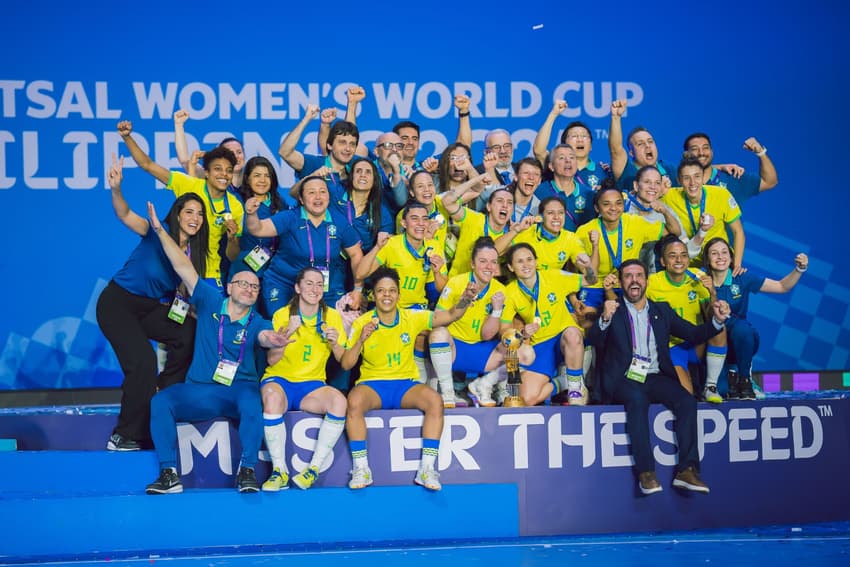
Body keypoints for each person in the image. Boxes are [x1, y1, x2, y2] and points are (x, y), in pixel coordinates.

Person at [144, 202, 289, 495]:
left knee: (252, 402)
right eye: (243, 284)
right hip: (200, 389)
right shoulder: (210, 300)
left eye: (254, 287)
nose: (249, 289)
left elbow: (264, 337)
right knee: (161, 401)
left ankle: (247, 471)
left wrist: (272, 340)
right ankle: (169, 474)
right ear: (230, 287)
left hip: (238, 390)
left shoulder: (259, 321)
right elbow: (183, 267)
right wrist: (160, 231)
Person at [586, 259, 731, 495]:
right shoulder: (613, 310)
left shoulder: (661, 310)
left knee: (687, 401)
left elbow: (693, 333)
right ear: (621, 282)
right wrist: (604, 318)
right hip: (623, 378)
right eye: (628, 276)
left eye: (639, 276)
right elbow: (593, 340)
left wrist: (716, 321)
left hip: (654, 376)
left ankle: (687, 471)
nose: (634, 280)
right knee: (637, 399)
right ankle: (646, 473)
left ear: (646, 281)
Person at [97, 155, 208, 451]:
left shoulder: (193, 254)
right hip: (117, 304)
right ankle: (124, 435)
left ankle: (163, 395)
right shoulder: (157, 231)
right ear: (178, 214)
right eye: (189, 211)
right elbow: (124, 215)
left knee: (187, 331)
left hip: (148, 308)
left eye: (200, 214)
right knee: (143, 364)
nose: (195, 218)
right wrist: (116, 189)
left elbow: (185, 294)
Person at [341, 266, 475, 491]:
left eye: (392, 290)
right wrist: (361, 340)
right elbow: (346, 364)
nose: (387, 295)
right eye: (381, 290)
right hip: (373, 385)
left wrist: (466, 299)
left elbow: (451, 315)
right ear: (373, 295)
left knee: (435, 401)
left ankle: (427, 469)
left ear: (398, 295)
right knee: (354, 401)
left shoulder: (411, 317)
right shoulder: (361, 322)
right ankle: (361, 469)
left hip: (405, 385)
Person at [117, 120, 243, 293]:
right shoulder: (189, 185)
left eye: (228, 170)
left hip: (208, 275)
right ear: (206, 172)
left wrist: (232, 238)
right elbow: (148, 165)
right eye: (218, 169)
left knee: (212, 311)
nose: (224, 175)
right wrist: (127, 137)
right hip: (176, 271)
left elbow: (232, 256)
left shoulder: (235, 206)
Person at [260, 267, 349, 491]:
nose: (315, 289)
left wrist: (335, 344)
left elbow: (343, 360)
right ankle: (279, 471)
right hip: (280, 380)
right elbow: (272, 360)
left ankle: (313, 470)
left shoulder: (332, 317)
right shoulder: (282, 315)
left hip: (312, 385)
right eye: (309, 283)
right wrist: (286, 335)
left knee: (339, 402)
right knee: (271, 399)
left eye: (319, 284)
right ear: (298, 288)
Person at [703, 238, 808, 400]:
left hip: (740, 339)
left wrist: (799, 269)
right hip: (713, 346)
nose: (720, 257)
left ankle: (745, 380)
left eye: (724, 252)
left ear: (731, 257)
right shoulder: (701, 281)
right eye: (714, 253)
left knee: (743, 329)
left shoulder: (742, 277)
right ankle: (728, 377)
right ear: (707, 259)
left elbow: (782, 287)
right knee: (723, 391)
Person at [244, 175, 365, 314]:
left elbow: (356, 254)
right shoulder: (290, 217)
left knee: (328, 326)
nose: (318, 197)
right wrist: (251, 214)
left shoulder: (339, 222)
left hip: (323, 287)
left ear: (328, 196)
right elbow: (258, 229)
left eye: (322, 192)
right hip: (285, 283)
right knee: (282, 324)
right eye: (311, 192)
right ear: (301, 199)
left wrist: (358, 288)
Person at [429, 237, 515, 407]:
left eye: (493, 262)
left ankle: (489, 385)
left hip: (482, 352)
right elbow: (437, 319)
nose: (489, 266)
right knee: (438, 334)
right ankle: (447, 393)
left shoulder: (500, 290)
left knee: (521, 349)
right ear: (472, 264)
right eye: (483, 261)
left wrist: (496, 310)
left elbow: (488, 335)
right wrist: (465, 300)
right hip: (455, 349)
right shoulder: (457, 282)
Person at [500, 243, 587, 405]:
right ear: (511, 267)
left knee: (573, 334)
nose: (526, 265)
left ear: (536, 261)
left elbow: (590, 280)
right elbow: (504, 330)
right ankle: (563, 382)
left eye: (529, 259)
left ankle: (575, 388)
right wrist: (522, 334)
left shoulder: (554, 276)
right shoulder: (509, 292)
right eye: (519, 261)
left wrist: (587, 267)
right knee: (526, 399)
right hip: (540, 344)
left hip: (563, 337)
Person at [647, 236, 728, 402]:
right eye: (673, 256)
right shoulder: (652, 283)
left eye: (683, 255)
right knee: (686, 396)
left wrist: (712, 293)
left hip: (697, 344)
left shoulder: (698, 277)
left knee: (720, 328)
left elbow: (711, 316)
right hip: (672, 347)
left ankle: (710, 386)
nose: (679, 260)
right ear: (663, 261)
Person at [661, 157, 745, 272]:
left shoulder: (722, 195)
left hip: (719, 261)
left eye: (697, 176)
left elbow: (738, 231)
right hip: (688, 265)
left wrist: (737, 265)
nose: (692, 183)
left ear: (703, 177)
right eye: (686, 178)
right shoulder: (668, 196)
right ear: (679, 181)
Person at [228, 156, 288, 286]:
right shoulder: (236, 200)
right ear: (247, 179)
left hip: (274, 270)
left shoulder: (280, 202)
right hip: (244, 267)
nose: (262, 180)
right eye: (257, 175)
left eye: (267, 176)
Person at [683, 132, 778, 206]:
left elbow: (769, 182)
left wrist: (761, 153)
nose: (701, 153)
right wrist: (720, 166)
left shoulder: (733, 178)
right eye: (695, 149)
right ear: (686, 155)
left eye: (705, 148)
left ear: (712, 152)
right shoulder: (679, 180)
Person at [533, 100, 610, 190]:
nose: (580, 139)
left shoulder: (604, 171)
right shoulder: (556, 165)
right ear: (564, 145)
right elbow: (539, 151)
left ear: (591, 146)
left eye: (584, 136)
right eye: (574, 136)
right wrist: (553, 114)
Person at [607, 99, 678, 192]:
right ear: (631, 153)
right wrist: (616, 117)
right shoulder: (626, 170)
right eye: (640, 144)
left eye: (650, 141)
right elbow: (615, 150)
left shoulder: (670, 169)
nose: (647, 146)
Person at [173, 109, 246, 189]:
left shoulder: (252, 178)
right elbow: (184, 160)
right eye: (231, 153)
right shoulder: (210, 177)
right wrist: (179, 125)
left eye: (239, 152)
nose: (236, 156)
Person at [534, 144, 596, 232]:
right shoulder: (539, 191)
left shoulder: (589, 195)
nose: (568, 161)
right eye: (561, 158)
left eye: (572, 157)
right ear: (551, 166)